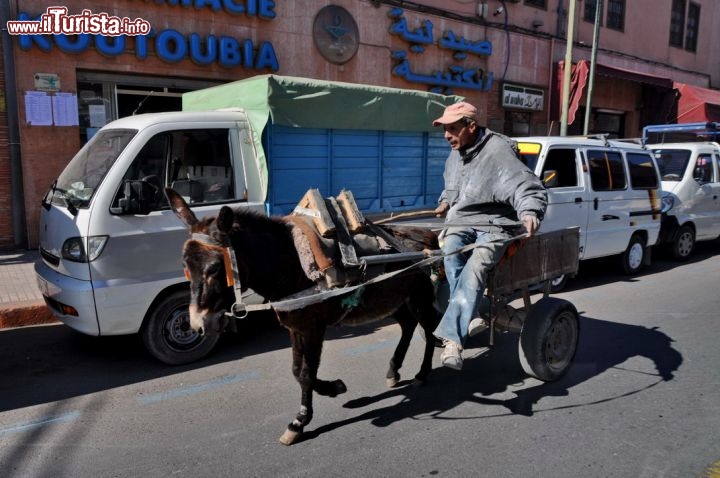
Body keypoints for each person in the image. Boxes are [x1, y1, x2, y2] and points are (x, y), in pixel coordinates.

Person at [431, 102, 548, 370]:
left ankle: (452, 341)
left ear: (471, 126)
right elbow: (453, 187)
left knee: (477, 264)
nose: (446, 135)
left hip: (495, 224)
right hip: (462, 220)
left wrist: (529, 212)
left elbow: (526, 186)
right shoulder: (456, 153)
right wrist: (445, 202)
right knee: (449, 251)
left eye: (452, 128)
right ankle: (472, 312)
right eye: (445, 129)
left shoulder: (498, 150)